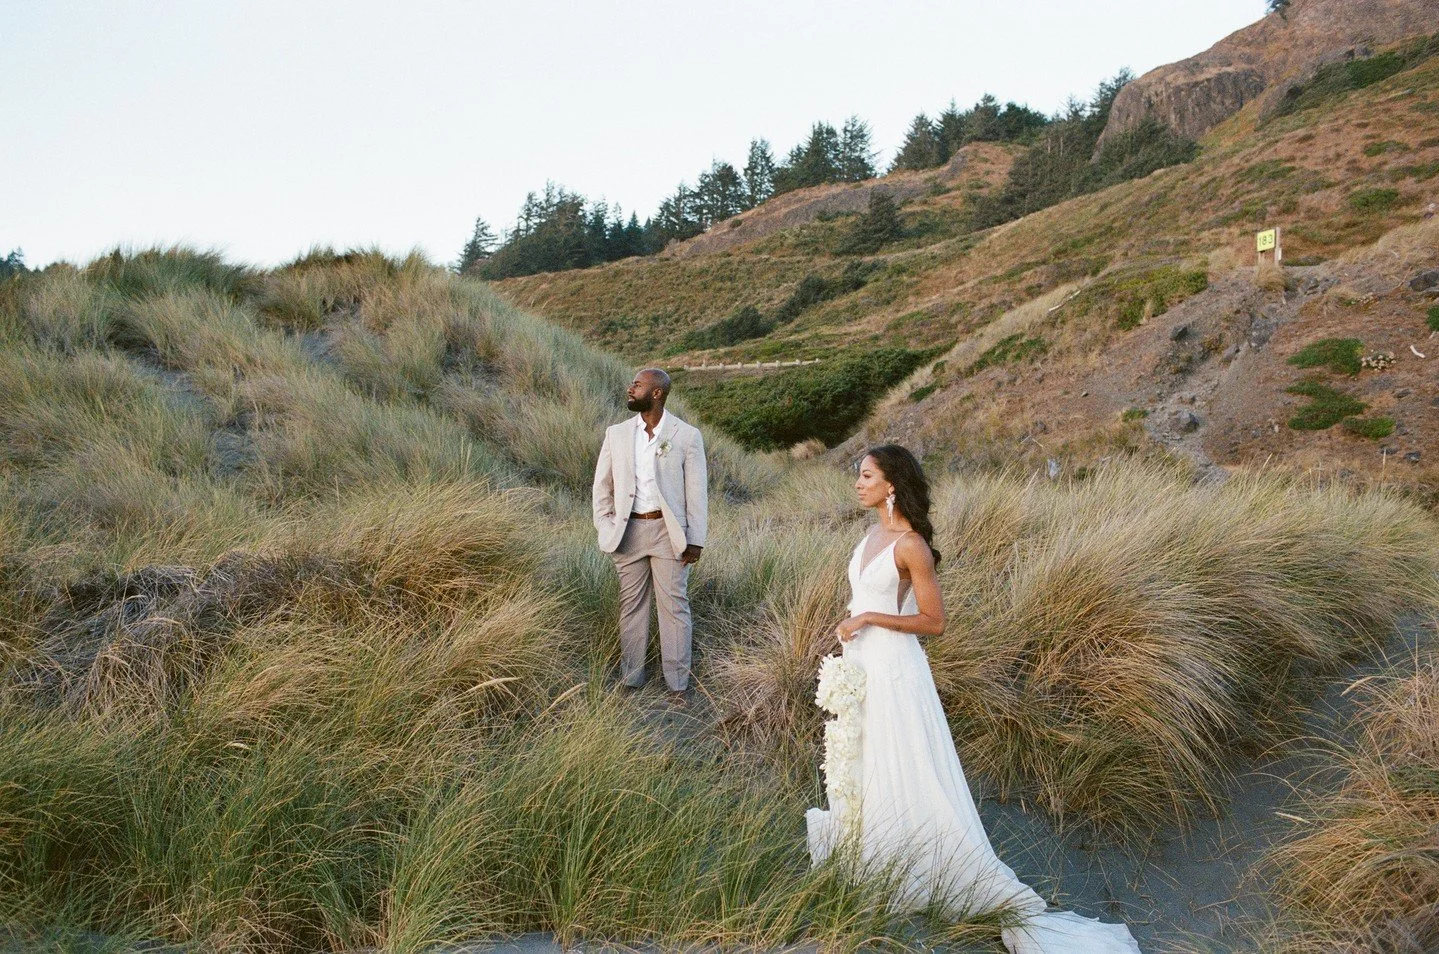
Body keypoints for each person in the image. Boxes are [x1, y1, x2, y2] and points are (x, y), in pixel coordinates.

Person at [807, 445, 1140, 954]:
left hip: (895, 667)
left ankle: (922, 859)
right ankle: (875, 847)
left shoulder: (912, 546)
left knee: (904, 757)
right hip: (862, 664)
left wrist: (869, 618)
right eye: (859, 475)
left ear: (891, 484)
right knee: (868, 755)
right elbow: (864, 596)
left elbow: (934, 622)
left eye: (867, 476)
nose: (858, 483)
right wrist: (852, 626)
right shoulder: (870, 535)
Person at [592, 368, 708, 697]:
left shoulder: (687, 436)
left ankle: (678, 685)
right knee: (631, 607)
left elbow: (696, 492)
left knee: (674, 608)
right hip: (627, 532)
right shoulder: (616, 433)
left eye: (638, 385)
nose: (630, 389)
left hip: (668, 533)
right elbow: (602, 487)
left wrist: (695, 539)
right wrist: (605, 524)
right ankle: (631, 679)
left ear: (656, 393)